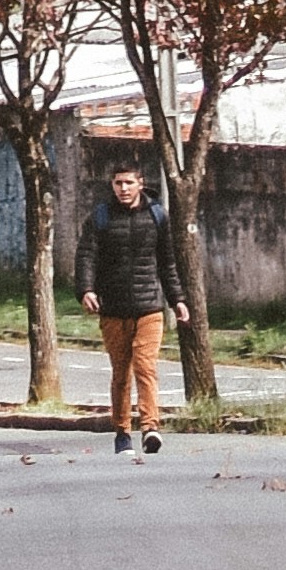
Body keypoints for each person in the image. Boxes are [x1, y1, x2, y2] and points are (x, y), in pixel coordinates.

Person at [80, 155, 182, 452]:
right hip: (112, 308)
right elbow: (86, 255)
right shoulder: (100, 217)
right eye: (118, 183)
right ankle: (122, 432)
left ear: (141, 184)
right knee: (121, 372)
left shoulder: (157, 216)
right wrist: (86, 289)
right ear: (112, 185)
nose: (123, 188)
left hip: (150, 306)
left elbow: (168, 263)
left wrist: (178, 301)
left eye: (128, 182)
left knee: (145, 365)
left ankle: (150, 427)